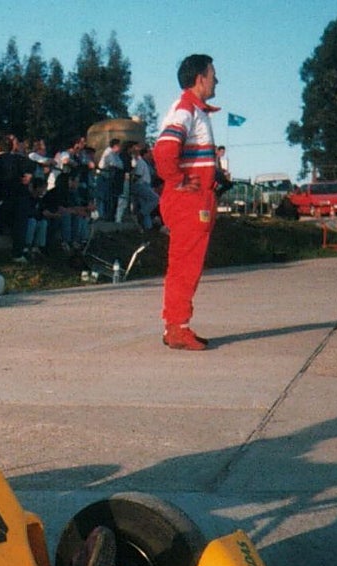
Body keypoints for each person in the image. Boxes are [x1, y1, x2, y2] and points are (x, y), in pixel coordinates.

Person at [154, 54, 221, 351]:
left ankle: (176, 326)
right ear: (200, 79)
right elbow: (165, 150)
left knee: (185, 264)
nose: (216, 80)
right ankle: (178, 328)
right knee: (185, 266)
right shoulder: (186, 109)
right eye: (213, 75)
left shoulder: (194, 110)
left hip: (195, 198)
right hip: (188, 201)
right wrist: (179, 180)